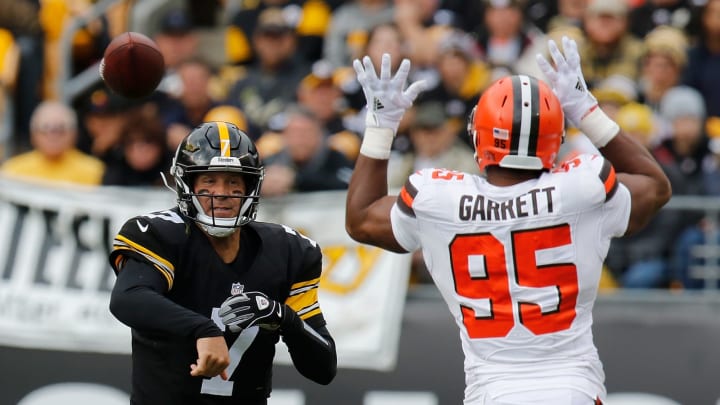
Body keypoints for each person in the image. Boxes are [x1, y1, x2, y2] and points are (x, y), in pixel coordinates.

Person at [345, 37, 671, 404]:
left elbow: (360, 218)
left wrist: (380, 125)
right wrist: (587, 111)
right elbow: (655, 187)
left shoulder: (438, 198)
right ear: (555, 137)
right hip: (573, 388)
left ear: (477, 136)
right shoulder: (581, 187)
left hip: (492, 392)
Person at [108, 121, 337, 404]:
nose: (222, 192)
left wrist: (282, 317)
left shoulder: (289, 250)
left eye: (233, 181)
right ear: (186, 183)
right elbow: (127, 298)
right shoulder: (160, 234)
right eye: (209, 181)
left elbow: (324, 368)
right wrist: (203, 329)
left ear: (249, 187)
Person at [1, 100, 105, 185]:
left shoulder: (95, 171)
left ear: (74, 134)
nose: (53, 136)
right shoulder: (12, 171)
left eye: (60, 129)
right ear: (33, 135)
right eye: (45, 129)